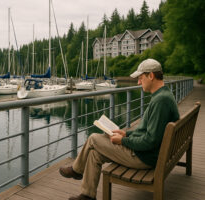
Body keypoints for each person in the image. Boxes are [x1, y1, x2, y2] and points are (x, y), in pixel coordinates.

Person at [59, 58, 180, 200]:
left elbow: (150, 141)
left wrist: (123, 141)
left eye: (141, 78)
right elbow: (150, 131)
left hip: (145, 157)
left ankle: (76, 170)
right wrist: (126, 133)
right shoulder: (164, 95)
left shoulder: (161, 101)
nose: (138, 82)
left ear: (151, 76)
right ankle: (87, 196)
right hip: (150, 154)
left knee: (93, 139)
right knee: (94, 153)